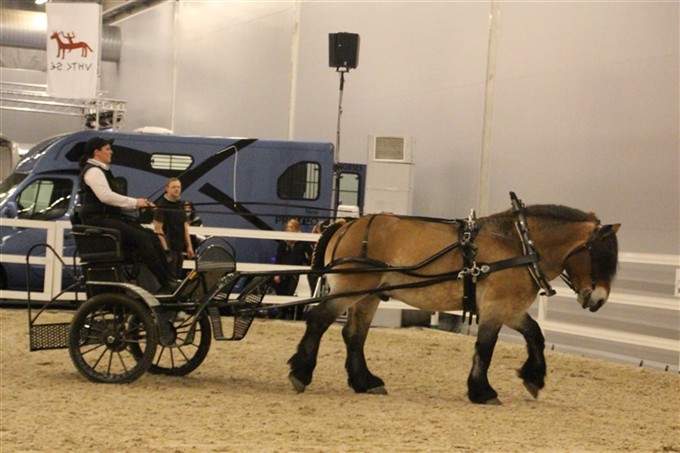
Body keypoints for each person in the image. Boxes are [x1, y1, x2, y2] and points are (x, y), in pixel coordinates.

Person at [77, 137, 179, 294]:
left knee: (151, 234)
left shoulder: (102, 170)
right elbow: (106, 197)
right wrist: (135, 203)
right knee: (142, 238)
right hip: (98, 220)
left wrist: (140, 204)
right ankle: (165, 282)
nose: (111, 152)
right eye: (107, 149)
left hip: (107, 217)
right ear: (96, 152)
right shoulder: (93, 171)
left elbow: (111, 201)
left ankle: (171, 279)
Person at [153, 178, 194, 278]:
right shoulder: (162, 205)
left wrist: (189, 246)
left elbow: (185, 226)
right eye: (174, 187)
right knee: (170, 276)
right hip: (169, 248)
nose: (177, 189)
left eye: (178, 187)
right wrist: (166, 250)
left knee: (178, 275)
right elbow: (158, 228)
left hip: (179, 247)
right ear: (167, 188)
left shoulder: (180, 204)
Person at [272, 219, 312, 319]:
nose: (289, 229)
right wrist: (276, 273)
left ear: (296, 229)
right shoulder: (283, 242)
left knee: (290, 291)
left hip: (295, 272)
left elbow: (309, 256)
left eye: (291, 227)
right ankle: (282, 311)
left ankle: (286, 312)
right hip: (282, 271)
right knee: (280, 290)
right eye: (288, 227)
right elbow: (278, 258)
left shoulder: (302, 243)